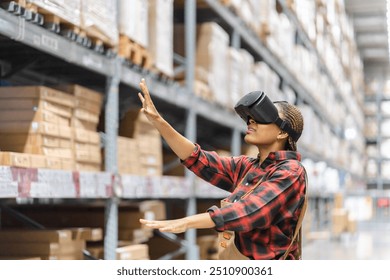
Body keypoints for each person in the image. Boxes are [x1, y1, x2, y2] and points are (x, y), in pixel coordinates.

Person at [138, 78, 307, 260]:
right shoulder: (248, 167)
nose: (251, 121)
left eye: (261, 118)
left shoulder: (291, 172)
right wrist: (158, 122)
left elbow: (250, 211)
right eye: (250, 118)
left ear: (282, 133)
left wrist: (187, 222)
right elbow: (198, 159)